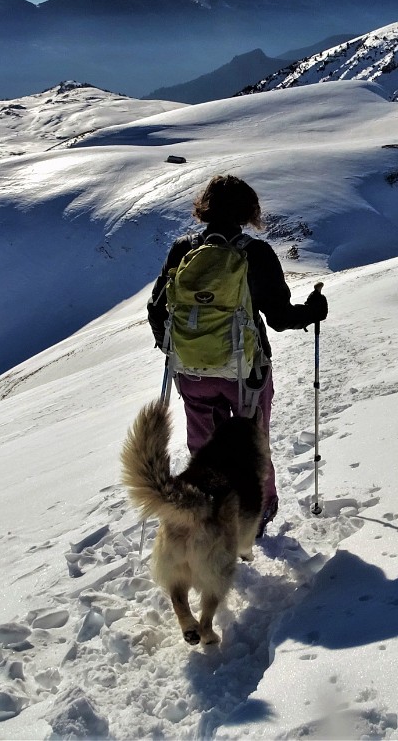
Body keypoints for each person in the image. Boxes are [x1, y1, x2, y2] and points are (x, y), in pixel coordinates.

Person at [147, 174, 327, 532]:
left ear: (205, 207)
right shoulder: (254, 253)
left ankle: (209, 511)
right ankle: (255, 516)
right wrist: (313, 311)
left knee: (203, 445)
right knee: (251, 446)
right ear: (248, 211)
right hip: (246, 372)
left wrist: (176, 348)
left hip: (192, 371)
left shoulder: (184, 249)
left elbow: (157, 308)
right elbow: (278, 317)